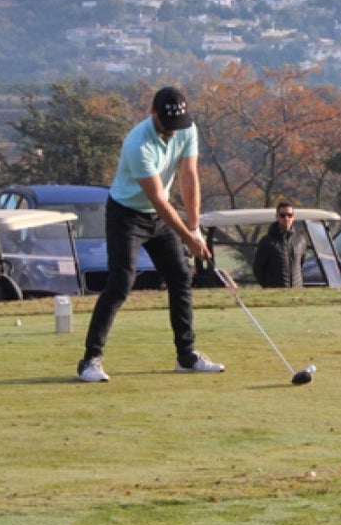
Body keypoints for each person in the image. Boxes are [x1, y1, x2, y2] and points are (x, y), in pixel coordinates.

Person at [76, 86, 222, 382]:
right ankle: (89, 361)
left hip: (157, 216)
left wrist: (195, 229)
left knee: (180, 276)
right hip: (126, 214)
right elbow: (159, 198)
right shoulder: (137, 144)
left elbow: (189, 176)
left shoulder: (187, 128)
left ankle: (186, 355)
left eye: (176, 127)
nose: (172, 133)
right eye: (167, 127)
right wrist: (188, 239)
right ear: (153, 114)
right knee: (121, 282)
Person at [252, 201, 306, 288]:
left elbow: (301, 264)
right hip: (275, 292)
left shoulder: (300, 240)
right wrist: (268, 287)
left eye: (289, 215)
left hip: (297, 291)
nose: (286, 218)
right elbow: (258, 269)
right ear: (277, 217)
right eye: (282, 215)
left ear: (293, 217)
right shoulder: (267, 242)